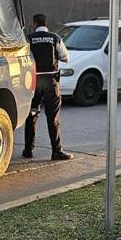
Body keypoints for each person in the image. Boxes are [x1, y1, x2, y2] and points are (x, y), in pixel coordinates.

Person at [24, 13, 74, 160]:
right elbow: (66, 57)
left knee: (32, 115)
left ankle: (28, 150)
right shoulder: (54, 38)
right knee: (53, 117)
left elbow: (24, 58)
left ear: (34, 24)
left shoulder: (28, 39)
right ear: (46, 24)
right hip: (50, 82)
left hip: (34, 82)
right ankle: (56, 151)